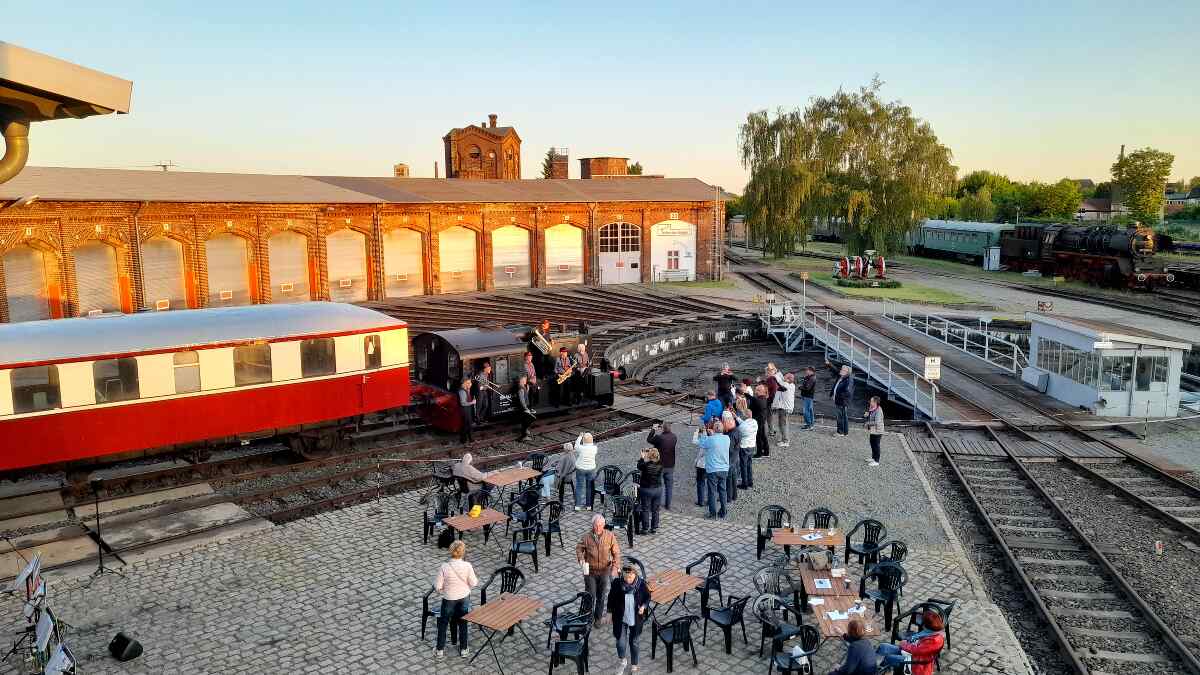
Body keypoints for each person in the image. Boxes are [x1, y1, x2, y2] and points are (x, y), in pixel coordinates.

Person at [433, 540, 478, 658]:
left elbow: (437, 586)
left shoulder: (444, 567)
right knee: (463, 621)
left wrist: (443, 591)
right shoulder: (467, 566)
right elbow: (474, 583)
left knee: (443, 623)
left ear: (450, 551)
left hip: (449, 598)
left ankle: (439, 650)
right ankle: (463, 649)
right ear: (463, 552)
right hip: (464, 597)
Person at [576, 514, 621, 626]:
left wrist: (615, 566)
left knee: (601, 595)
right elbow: (579, 549)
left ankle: (598, 618)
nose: (598, 528)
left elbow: (616, 553)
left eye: (600, 525)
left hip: (604, 571)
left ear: (604, 525)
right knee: (590, 595)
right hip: (590, 571)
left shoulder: (610, 536)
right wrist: (581, 559)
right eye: (596, 525)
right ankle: (588, 617)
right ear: (593, 525)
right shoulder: (586, 537)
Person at [607, 562, 650, 674]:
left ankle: (634, 665)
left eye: (630, 577)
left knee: (634, 641)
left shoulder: (641, 584)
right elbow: (611, 598)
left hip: (635, 618)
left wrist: (644, 606)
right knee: (620, 642)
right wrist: (609, 612)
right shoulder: (617, 583)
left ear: (635, 575)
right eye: (625, 577)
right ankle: (623, 661)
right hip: (620, 618)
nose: (627, 580)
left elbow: (647, 596)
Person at [877, 610, 945, 675]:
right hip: (909, 652)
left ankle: (880, 671)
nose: (920, 622)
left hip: (916, 663)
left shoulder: (934, 641)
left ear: (926, 625)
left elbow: (916, 651)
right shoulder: (929, 632)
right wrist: (908, 642)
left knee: (889, 658)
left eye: (922, 621)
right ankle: (876, 667)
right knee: (883, 647)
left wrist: (904, 644)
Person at [697, 420, 730, 519]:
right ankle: (723, 511)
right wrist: (712, 434)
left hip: (713, 469)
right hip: (724, 468)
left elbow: (702, 443)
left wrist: (704, 433)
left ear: (714, 429)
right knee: (723, 490)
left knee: (712, 491)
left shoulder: (710, 440)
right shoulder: (727, 438)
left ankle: (712, 514)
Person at [646, 423, 677, 510]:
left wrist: (653, 429)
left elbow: (649, 439)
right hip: (670, 465)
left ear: (663, 428)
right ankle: (668, 505)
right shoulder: (674, 437)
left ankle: (657, 505)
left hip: (659, 465)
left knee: (657, 486)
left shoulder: (659, 438)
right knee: (669, 487)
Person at [636, 447, 663, 534]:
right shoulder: (661, 464)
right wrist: (652, 452)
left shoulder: (645, 465)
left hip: (646, 489)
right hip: (657, 489)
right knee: (655, 509)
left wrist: (642, 457)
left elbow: (639, 466)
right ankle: (654, 527)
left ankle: (645, 528)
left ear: (649, 456)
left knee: (645, 509)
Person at [734, 398, 758, 489]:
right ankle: (750, 482)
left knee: (743, 465)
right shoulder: (754, 422)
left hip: (744, 447)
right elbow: (744, 423)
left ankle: (744, 484)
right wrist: (736, 417)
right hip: (752, 446)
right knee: (749, 464)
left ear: (745, 415)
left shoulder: (743, 426)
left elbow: (739, 433)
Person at [573, 432, 598, 511]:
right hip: (591, 469)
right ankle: (588, 505)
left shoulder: (581, 448)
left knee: (579, 486)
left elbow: (576, 446)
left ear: (583, 440)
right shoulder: (594, 448)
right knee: (589, 487)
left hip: (580, 468)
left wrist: (580, 436)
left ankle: (577, 505)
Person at [770, 367, 792, 448]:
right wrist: (777, 371)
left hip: (785, 408)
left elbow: (780, 381)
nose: (783, 378)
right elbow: (781, 379)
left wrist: (775, 374)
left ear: (788, 379)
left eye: (785, 377)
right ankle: (783, 438)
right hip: (783, 407)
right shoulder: (788, 385)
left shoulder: (787, 386)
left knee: (783, 424)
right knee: (781, 424)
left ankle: (786, 441)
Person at [830, 365, 854, 436]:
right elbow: (836, 385)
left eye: (843, 370)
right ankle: (845, 432)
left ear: (847, 372)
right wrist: (833, 394)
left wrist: (838, 396)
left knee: (840, 416)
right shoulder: (841, 377)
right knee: (843, 416)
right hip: (840, 400)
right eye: (841, 369)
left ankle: (840, 432)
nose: (841, 370)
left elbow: (848, 392)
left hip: (842, 401)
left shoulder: (848, 380)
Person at [720, 410, 739, 502]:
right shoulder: (736, 429)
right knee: (733, 477)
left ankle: (729, 497)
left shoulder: (730, 435)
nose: (722, 423)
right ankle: (734, 495)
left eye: (723, 421)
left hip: (730, 459)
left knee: (729, 479)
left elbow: (729, 450)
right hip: (735, 458)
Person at [864, 396, 885, 466]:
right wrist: (867, 414)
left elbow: (877, 422)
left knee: (876, 445)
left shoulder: (879, 410)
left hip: (878, 431)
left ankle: (876, 461)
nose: (870, 402)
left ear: (875, 402)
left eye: (871, 401)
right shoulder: (872, 407)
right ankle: (873, 457)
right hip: (873, 430)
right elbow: (870, 415)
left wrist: (867, 423)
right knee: (872, 443)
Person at [515, 375, 536, 442]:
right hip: (523, 408)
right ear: (522, 381)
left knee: (526, 421)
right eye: (525, 379)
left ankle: (525, 433)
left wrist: (527, 390)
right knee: (528, 420)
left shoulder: (523, 387)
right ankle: (524, 436)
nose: (526, 380)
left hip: (525, 407)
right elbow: (522, 400)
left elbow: (525, 396)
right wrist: (525, 408)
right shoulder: (521, 388)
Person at [752, 384, 771, 457]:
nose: (756, 391)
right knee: (763, 435)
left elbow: (753, 408)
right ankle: (766, 452)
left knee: (759, 436)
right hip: (761, 419)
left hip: (759, 419)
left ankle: (759, 453)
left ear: (762, 391)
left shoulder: (760, 399)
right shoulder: (763, 398)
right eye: (756, 390)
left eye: (758, 390)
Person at [456, 378, 475, 444]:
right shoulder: (462, 391)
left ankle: (469, 439)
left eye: (470, 383)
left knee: (468, 425)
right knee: (465, 425)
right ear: (464, 384)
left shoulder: (466, 390)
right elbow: (463, 403)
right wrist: (472, 402)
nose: (470, 384)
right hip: (464, 410)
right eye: (468, 383)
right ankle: (464, 440)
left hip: (467, 409)